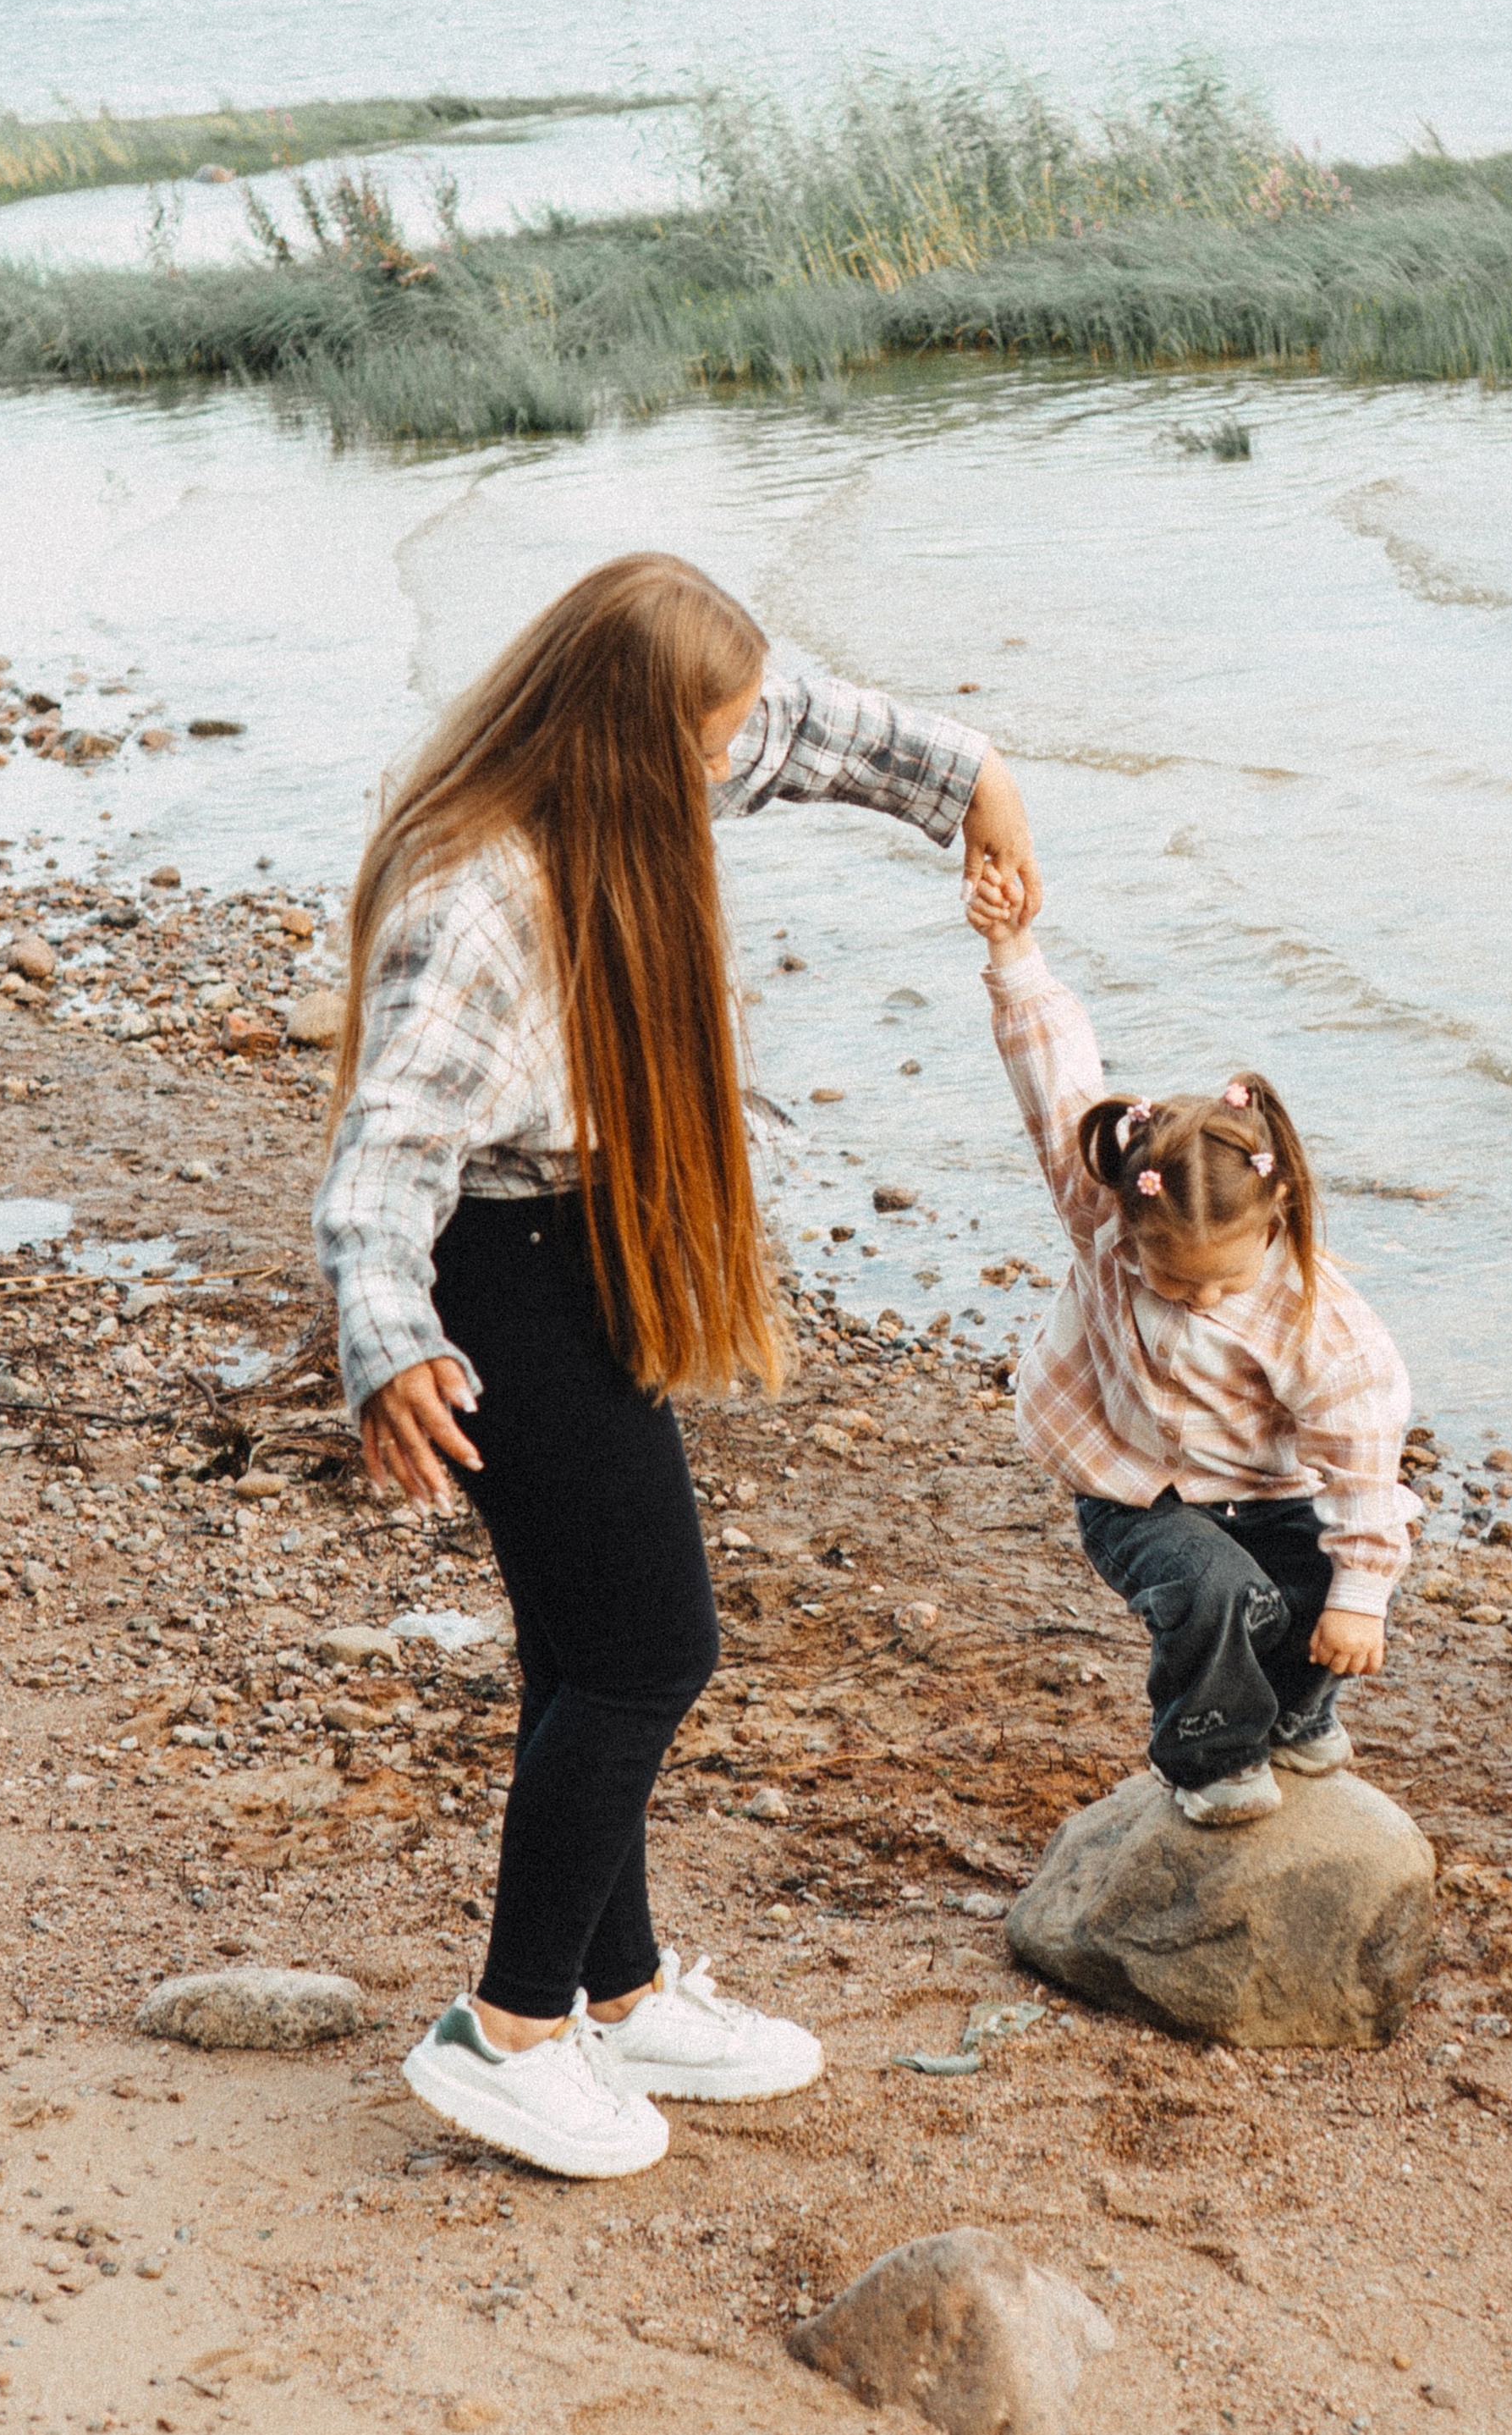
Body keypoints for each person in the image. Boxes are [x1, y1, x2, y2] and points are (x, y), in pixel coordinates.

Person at [314, 553, 1038, 2179]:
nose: (730, 766)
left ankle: (620, 1990)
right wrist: (393, 1345)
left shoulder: (620, 762)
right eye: (703, 750)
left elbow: (802, 723)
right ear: (627, 742)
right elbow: (382, 1159)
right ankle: (504, 2030)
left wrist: (977, 785)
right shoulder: (481, 893)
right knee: (650, 1651)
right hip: (497, 1278)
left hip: (573, 1255)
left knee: (586, 1649)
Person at [962, 861, 1413, 1826]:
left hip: (1265, 1490)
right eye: (1171, 1279)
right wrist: (1011, 951)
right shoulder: (1102, 1218)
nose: (1197, 1296)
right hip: (1130, 1479)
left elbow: (1363, 1466)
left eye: (1221, 1278)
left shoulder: (1320, 1327)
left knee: (1312, 1586)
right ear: (1125, 1219)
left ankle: (1293, 1712)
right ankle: (1208, 1755)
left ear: (1278, 1214)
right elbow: (1054, 1083)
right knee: (1213, 1592)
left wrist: (1362, 1597)